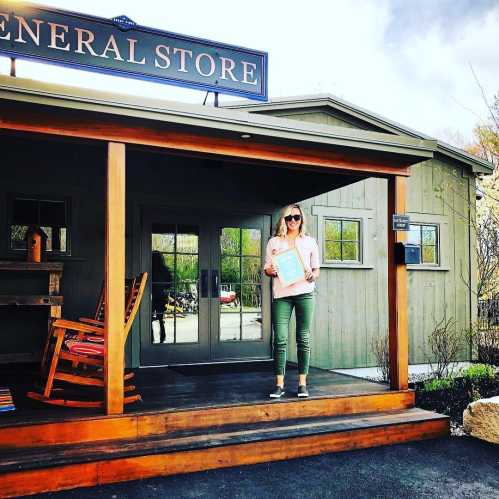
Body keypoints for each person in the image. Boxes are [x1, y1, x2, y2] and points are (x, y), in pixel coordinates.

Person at [263, 204, 320, 398]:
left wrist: (312, 275)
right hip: (282, 295)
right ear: (283, 220)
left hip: (305, 292)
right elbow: (267, 268)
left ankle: (302, 384)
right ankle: (279, 384)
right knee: (280, 339)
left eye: (296, 217)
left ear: (302, 219)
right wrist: (270, 271)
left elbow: (316, 270)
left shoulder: (310, 242)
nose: (293, 221)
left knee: (303, 338)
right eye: (289, 218)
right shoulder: (274, 243)